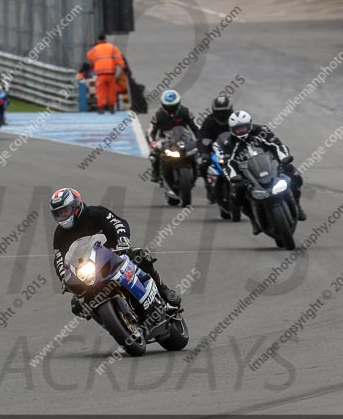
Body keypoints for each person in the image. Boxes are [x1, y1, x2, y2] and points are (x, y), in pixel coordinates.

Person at [50, 187, 181, 315]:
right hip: (87, 270)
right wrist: (64, 278)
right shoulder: (60, 234)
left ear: (76, 206)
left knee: (141, 256)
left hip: (115, 254)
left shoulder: (95, 213)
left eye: (65, 211)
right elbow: (59, 259)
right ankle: (112, 322)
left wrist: (123, 242)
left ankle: (163, 290)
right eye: (59, 213)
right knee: (77, 305)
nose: (63, 215)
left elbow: (118, 224)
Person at [225, 110, 306, 233]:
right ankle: (253, 218)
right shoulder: (230, 143)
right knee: (237, 193)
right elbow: (229, 163)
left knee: (294, 174)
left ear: (249, 125)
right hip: (248, 173)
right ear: (232, 130)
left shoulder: (262, 131)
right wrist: (234, 176)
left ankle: (297, 204)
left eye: (243, 127)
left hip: (271, 165)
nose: (240, 131)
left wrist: (284, 158)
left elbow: (278, 145)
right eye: (237, 129)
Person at [146, 90, 200, 183]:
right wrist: (153, 142)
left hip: (184, 137)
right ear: (163, 105)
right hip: (165, 139)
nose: (171, 109)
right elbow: (150, 131)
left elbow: (195, 127)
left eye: (173, 106)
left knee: (198, 151)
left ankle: (196, 168)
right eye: (168, 107)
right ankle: (156, 173)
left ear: (178, 103)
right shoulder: (158, 115)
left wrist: (200, 138)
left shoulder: (185, 111)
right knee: (154, 155)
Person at [198, 94, 234, 203]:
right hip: (214, 150)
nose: (222, 114)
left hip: (234, 149)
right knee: (203, 164)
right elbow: (203, 137)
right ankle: (208, 185)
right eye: (219, 111)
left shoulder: (235, 119)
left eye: (224, 111)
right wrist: (204, 152)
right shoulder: (209, 121)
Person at [86, 33, 126, 114]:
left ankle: (101, 108)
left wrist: (96, 60)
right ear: (105, 39)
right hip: (111, 73)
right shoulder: (112, 47)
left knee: (101, 91)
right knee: (111, 90)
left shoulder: (95, 49)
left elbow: (89, 56)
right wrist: (124, 67)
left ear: (98, 40)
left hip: (100, 74)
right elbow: (119, 58)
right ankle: (111, 107)